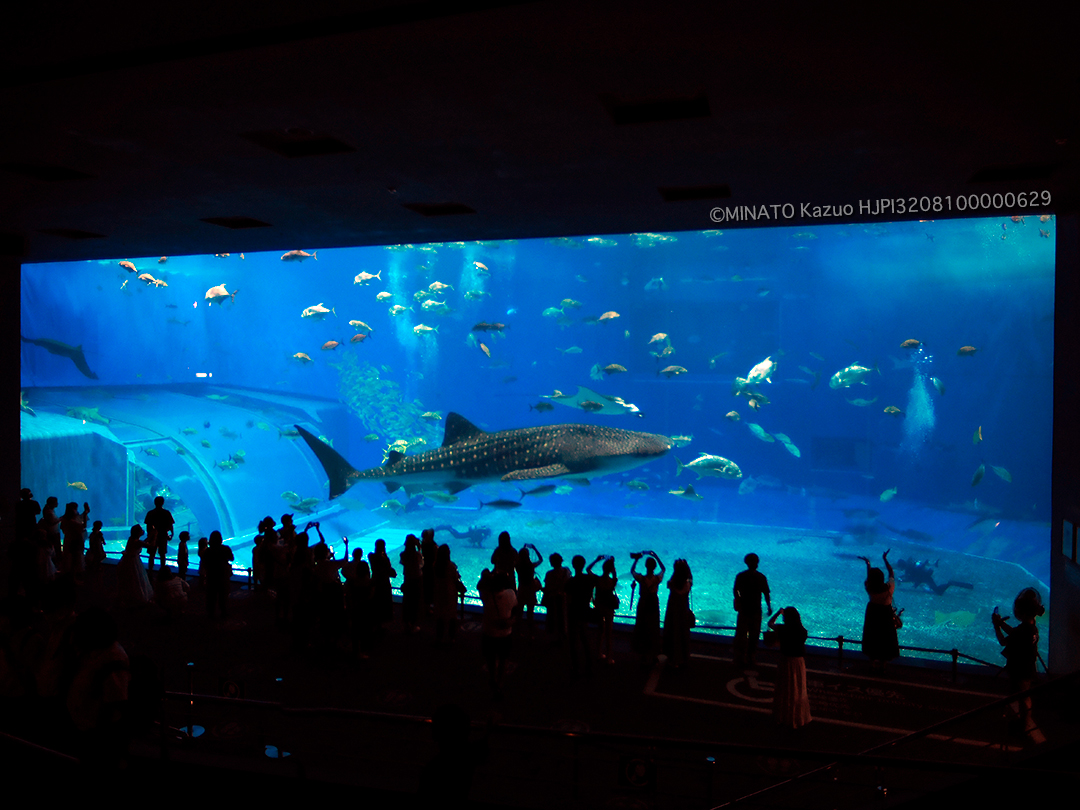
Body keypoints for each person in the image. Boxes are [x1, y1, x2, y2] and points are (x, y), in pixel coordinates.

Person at [992, 587, 1045, 739]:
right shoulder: (1031, 627)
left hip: (1020, 669)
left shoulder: (1023, 631)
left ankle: (1023, 726)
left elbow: (1003, 641)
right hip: (1027, 667)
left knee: (1021, 696)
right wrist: (1002, 624)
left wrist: (997, 626)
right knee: (1024, 696)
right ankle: (1024, 723)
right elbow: (1015, 633)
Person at [767, 606, 811, 729]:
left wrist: (778, 613)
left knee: (784, 689)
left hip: (786, 661)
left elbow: (770, 623)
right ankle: (798, 717)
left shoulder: (782, 629)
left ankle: (782, 717)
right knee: (798, 689)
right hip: (798, 663)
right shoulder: (803, 632)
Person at [478, 569, 518, 698]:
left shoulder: (486, 595)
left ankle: (492, 678)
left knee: (490, 657)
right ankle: (500, 683)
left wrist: (486, 575)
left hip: (489, 632)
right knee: (503, 659)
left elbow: (480, 585)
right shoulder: (511, 594)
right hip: (505, 633)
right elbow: (516, 609)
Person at [859, 549, 900, 673]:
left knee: (872, 635)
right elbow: (891, 573)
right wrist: (885, 559)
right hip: (885, 614)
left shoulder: (869, 588)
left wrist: (868, 564)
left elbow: (870, 579)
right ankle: (884, 663)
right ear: (882, 579)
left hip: (873, 613)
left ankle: (872, 662)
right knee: (886, 636)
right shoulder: (890, 588)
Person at [733, 553, 771, 669]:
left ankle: (740, 657)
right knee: (754, 635)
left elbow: (735, 590)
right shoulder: (761, 577)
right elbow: (766, 593)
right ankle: (751, 657)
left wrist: (739, 600)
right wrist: (769, 606)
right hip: (755, 610)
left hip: (744, 609)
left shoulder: (741, 576)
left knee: (741, 634)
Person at [631, 550, 665, 666]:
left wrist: (636, 559)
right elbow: (663, 569)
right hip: (653, 603)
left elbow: (632, 571)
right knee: (653, 627)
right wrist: (655, 555)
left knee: (642, 626)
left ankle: (643, 653)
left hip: (643, 603)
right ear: (654, 567)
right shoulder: (657, 579)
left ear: (646, 566)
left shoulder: (641, 578)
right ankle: (654, 653)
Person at [565, 555, 596, 678]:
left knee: (573, 641)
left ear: (573, 565)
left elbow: (568, 599)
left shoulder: (571, 582)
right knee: (585, 638)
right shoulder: (589, 579)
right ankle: (589, 665)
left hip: (574, 611)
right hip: (585, 609)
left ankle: (575, 667)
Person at [588, 555, 619, 663]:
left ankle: (598, 653)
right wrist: (612, 563)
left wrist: (597, 560)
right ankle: (609, 657)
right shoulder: (612, 581)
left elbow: (588, 569)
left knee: (600, 631)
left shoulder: (597, 579)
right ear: (611, 570)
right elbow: (615, 574)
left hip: (599, 607)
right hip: (609, 608)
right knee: (609, 633)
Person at [663, 559, 693, 669]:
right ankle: (683, 657)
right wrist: (686, 567)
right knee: (682, 633)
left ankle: (673, 659)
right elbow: (690, 577)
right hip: (683, 612)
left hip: (673, 612)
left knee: (673, 633)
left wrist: (677, 570)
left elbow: (669, 583)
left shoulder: (673, 582)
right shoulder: (688, 583)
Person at [117, 525, 154, 607]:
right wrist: (154, 535)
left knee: (129, 579)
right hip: (134, 561)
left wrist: (149, 536)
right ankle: (138, 597)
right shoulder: (137, 542)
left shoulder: (132, 539)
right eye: (140, 530)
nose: (142, 531)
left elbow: (143, 543)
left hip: (128, 560)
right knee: (137, 578)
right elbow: (149, 545)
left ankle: (127, 597)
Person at [433, 544, 464, 644]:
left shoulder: (435, 565)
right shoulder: (451, 566)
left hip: (439, 593)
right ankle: (452, 638)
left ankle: (439, 637)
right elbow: (455, 579)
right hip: (450, 593)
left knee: (440, 616)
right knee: (452, 616)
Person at [515, 543, 543, 638]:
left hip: (522, 590)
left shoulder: (517, 566)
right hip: (530, 590)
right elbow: (541, 559)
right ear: (528, 556)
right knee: (530, 612)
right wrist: (534, 548)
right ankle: (530, 633)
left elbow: (518, 558)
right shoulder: (531, 566)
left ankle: (517, 632)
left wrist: (523, 548)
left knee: (519, 612)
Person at [542, 553, 570, 645]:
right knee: (563, 617)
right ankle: (563, 636)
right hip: (564, 598)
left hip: (553, 598)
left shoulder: (549, 574)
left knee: (553, 617)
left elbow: (547, 587)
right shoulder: (567, 571)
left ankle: (554, 637)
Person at [400, 534, 424, 632]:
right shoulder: (417, 555)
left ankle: (406, 623)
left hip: (407, 579)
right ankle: (413, 624)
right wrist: (419, 548)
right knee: (415, 601)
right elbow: (421, 564)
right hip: (416, 580)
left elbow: (403, 562)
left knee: (407, 600)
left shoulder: (403, 554)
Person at [144, 496, 174, 574]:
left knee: (152, 555)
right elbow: (170, 525)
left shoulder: (150, 513)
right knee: (162, 555)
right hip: (163, 535)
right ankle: (163, 571)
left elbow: (148, 526)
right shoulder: (166, 513)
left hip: (153, 536)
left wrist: (149, 536)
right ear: (163, 503)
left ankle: (150, 571)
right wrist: (171, 534)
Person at [59, 501, 90, 577]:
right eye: (75, 509)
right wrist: (85, 513)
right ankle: (73, 578)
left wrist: (85, 513)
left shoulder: (64, 519)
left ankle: (71, 576)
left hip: (68, 540)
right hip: (74, 541)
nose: (76, 511)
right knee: (75, 559)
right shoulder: (72, 522)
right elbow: (83, 526)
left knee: (69, 558)